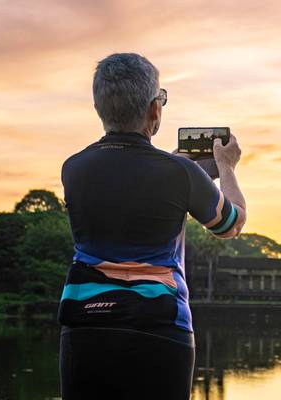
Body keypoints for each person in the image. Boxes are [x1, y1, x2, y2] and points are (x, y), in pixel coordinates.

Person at [58, 53, 246, 399]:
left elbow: (130, 184)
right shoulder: (179, 174)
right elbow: (231, 223)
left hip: (84, 323)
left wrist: (181, 170)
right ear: (154, 110)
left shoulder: (73, 168)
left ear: (99, 106)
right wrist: (226, 167)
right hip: (158, 324)